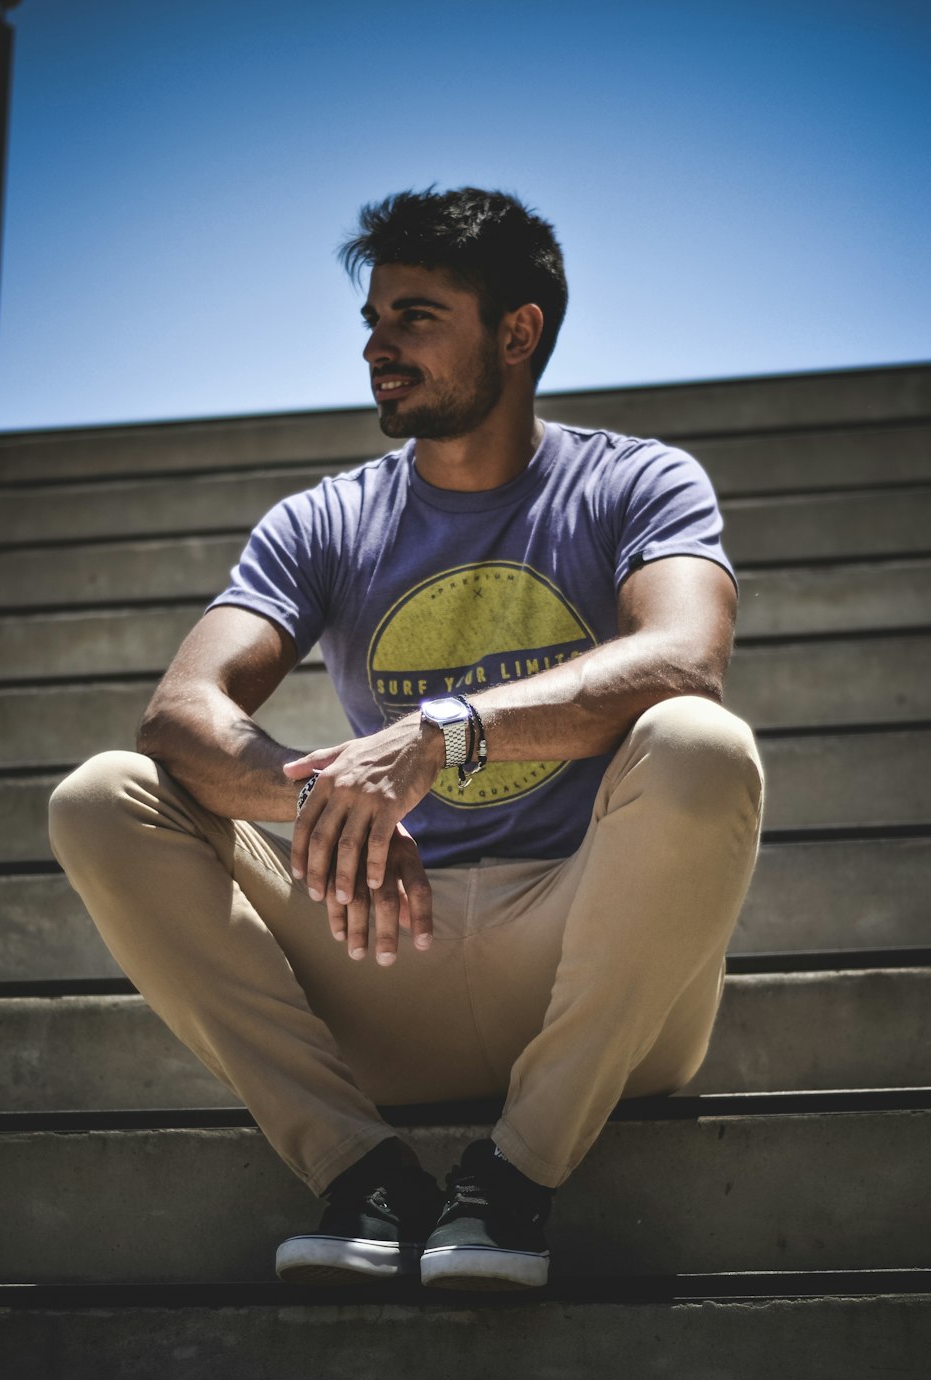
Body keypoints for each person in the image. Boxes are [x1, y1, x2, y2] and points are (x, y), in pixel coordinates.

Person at [49, 187, 764, 1293]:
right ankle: (361, 1173)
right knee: (103, 794)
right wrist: (321, 807)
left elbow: (683, 658)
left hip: (594, 964)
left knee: (699, 745)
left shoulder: (636, 481)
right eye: (373, 320)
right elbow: (181, 710)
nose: (378, 347)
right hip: (388, 945)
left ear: (516, 332)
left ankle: (515, 1179)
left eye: (415, 317)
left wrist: (442, 734)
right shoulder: (322, 520)